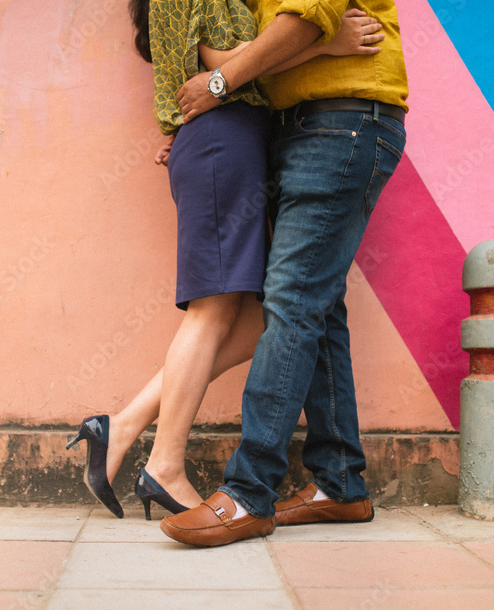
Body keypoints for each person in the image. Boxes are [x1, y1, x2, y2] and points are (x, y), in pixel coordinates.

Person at [66, 0, 386, 521]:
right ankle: (164, 465)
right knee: (216, 311)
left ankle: (122, 425)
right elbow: (226, 63)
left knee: (270, 311)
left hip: (229, 140)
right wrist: (326, 44)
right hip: (225, 139)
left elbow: (214, 70)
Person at [159, 0, 409, 545]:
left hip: (342, 121)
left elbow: (303, 18)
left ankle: (250, 492)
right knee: (318, 304)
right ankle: (341, 485)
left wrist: (219, 84)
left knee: (292, 300)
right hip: (306, 128)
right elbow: (277, 44)